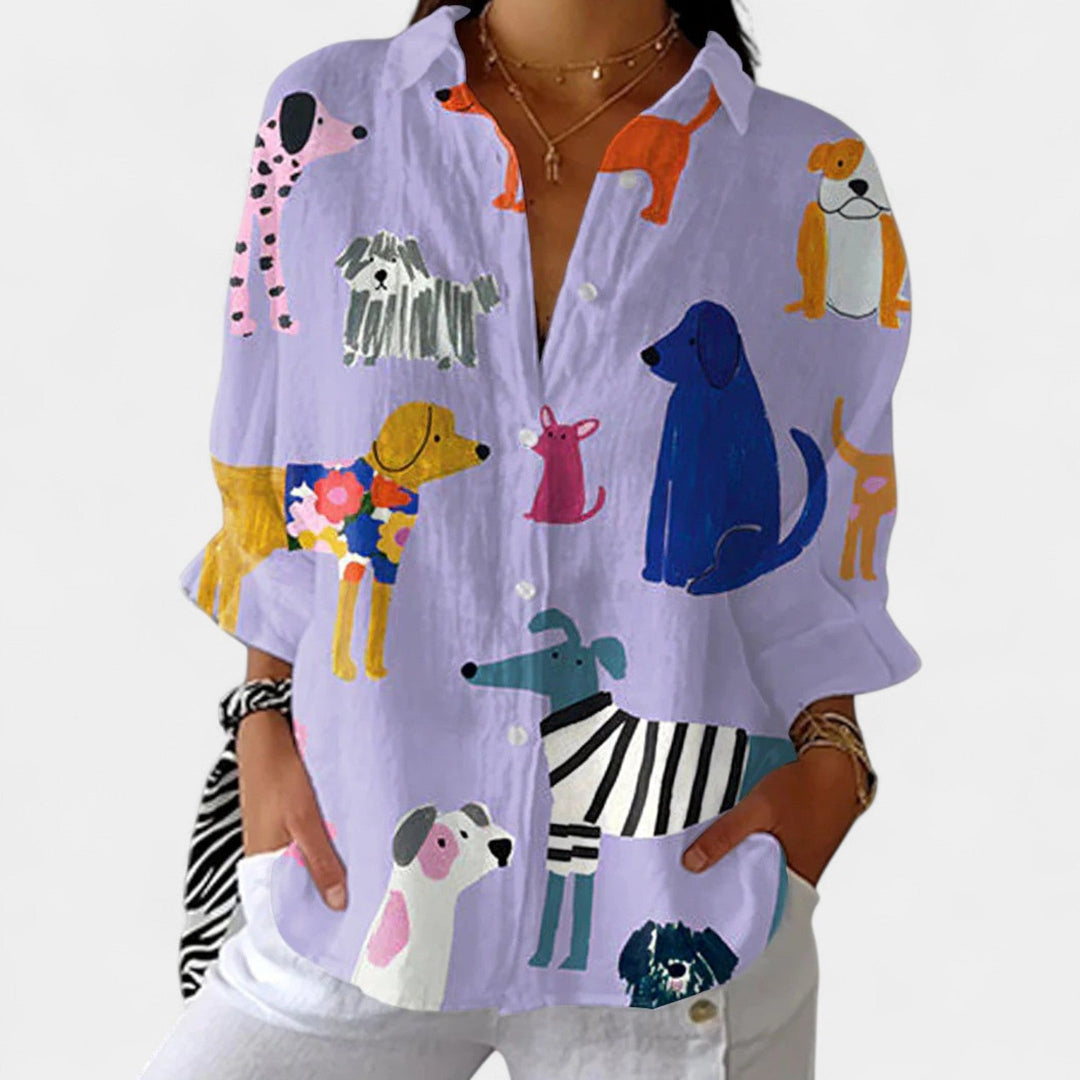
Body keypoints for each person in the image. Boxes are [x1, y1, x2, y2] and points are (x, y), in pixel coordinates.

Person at [141, 2, 919, 1077]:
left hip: (675, 923)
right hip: (361, 873)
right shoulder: (331, 116)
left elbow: (817, 542)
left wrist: (834, 769)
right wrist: (261, 712)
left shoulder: (799, 170)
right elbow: (274, 462)